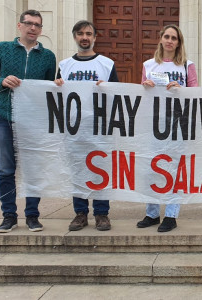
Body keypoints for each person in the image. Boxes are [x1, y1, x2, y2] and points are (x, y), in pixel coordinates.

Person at [0, 9, 56, 233]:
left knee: (33, 169)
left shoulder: (48, 56)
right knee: (6, 169)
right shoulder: (2, 49)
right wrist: (2, 82)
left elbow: (47, 89)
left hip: (33, 121)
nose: (33, 28)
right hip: (4, 115)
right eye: (29, 24)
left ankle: (32, 216)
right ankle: (9, 216)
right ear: (20, 26)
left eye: (38, 25)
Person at [55, 20, 119, 231]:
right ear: (74, 36)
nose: (85, 37)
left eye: (89, 33)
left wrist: (107, 88)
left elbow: (118, 96)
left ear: (94, 37)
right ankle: (80, 213)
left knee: (100, 170)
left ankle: (102, 214)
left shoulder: (106, 64)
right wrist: (56, 87)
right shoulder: (64, 66)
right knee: (78, 171)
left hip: (99, 127)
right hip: (73, 128)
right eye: (81, 33)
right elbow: (55, 98)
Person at [136, 24, 198, 232]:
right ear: (161, 38)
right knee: (151, 167)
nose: (170, 41)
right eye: (167, 36)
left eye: (175, 38)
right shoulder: (149, 65)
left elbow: (196, 95)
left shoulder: (187, 65)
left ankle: (171, 215)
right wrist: (145, 87)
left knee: (175, 168)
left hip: (178, 123)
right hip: (154, 122)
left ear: (179, 42)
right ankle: (152, 213)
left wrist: (182, 90)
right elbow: (141, 96)